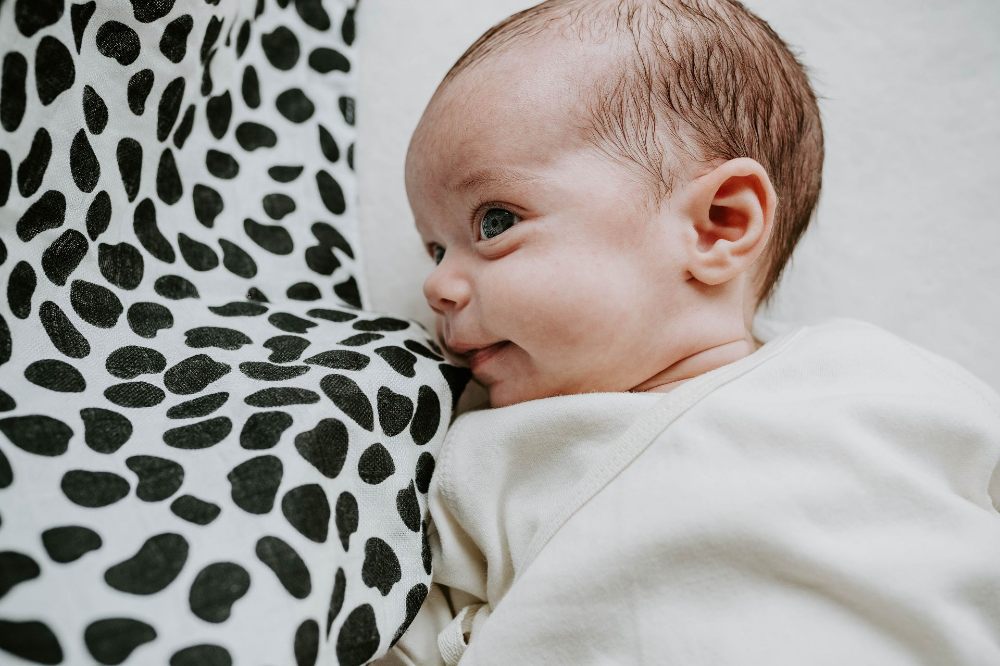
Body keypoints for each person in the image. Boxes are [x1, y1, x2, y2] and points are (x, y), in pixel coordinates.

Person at [383, 0, 1000, 663]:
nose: (437, 287)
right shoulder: (482, 458)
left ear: (719, 224)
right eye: (435, 250)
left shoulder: (881, 381)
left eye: (495, 222)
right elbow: (397, 631)